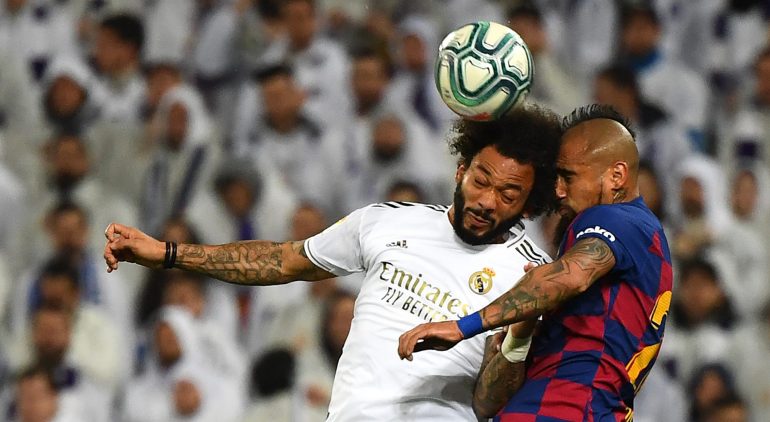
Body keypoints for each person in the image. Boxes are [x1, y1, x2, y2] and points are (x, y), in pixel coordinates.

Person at [103, 104, 563, 420]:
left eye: (508, 194)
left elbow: (489, 403)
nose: (487, 200)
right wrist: (168, 253)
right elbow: (283, 261)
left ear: (528, 206)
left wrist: (519, 336)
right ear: (461, 172)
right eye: (482, 181)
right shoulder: (384, 222)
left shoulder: (530, 274)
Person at [398, 104, 674, 421]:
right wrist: (521, 331)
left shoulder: (617, 218)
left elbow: (572, 276)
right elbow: (485, 405)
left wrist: (463, 326)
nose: (557, 191)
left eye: (568, 177)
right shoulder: (640, 246)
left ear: (617, 176)